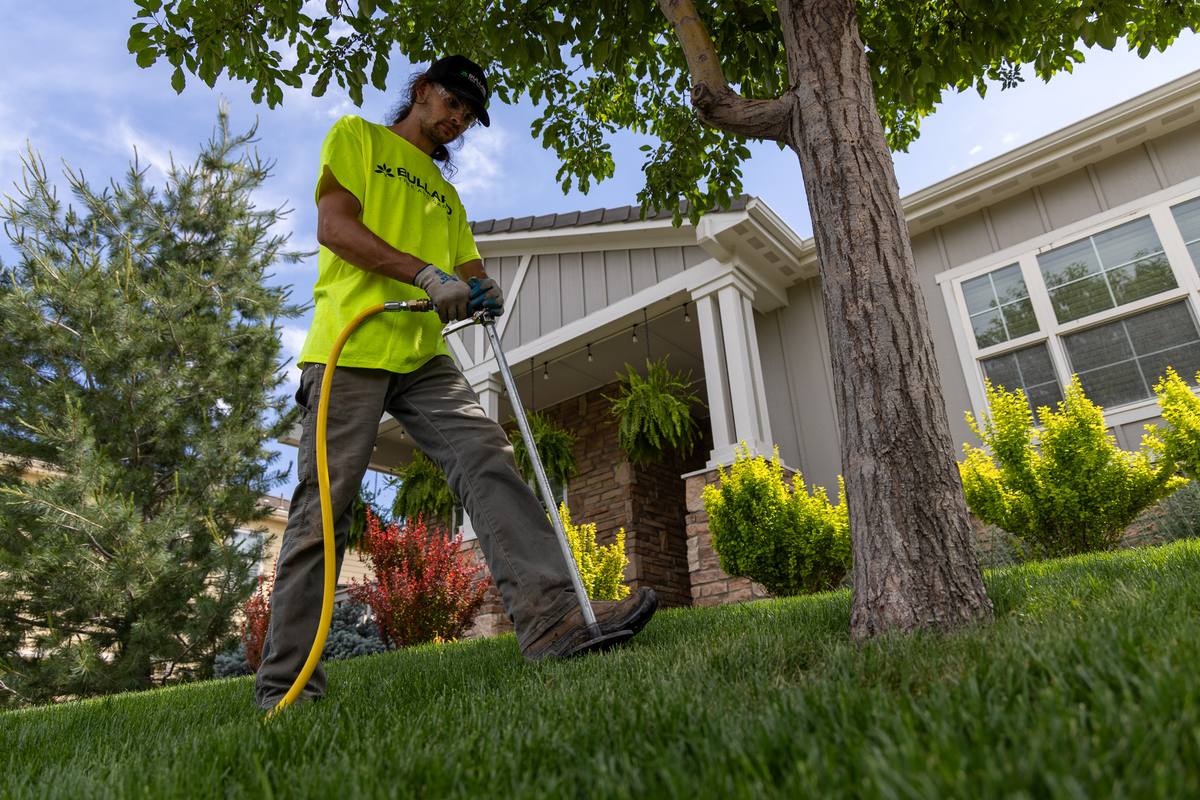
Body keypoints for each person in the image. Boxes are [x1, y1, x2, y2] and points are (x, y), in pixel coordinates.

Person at [254, 55, 657, 710]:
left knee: (487, 460)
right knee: (322, 511)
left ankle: (554, 622)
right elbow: (333, 226)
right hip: (348, 348)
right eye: (453, 103)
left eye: (469, 115)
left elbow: (468, 269)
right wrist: (421, 274)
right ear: (421, 92)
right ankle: (285, 689)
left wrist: (480, 288)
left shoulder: (447, 197)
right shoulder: (359, 138)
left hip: (421, 358)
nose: (459, 119)